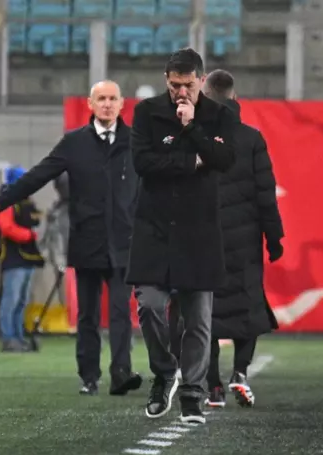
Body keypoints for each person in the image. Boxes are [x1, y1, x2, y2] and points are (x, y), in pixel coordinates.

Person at [0, 80, 143, 396]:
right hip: (87, 241)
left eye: (112, 99)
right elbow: (37, 176)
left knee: (121, 312)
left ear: (122, 104)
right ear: (90, 104)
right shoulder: (74, 143)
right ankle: (89, 377)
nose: (107, 104)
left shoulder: (136, 142)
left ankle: (121, 372)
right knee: (88, 315)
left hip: (124, 243)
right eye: (101, 99)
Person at [126, 48, 236, 424]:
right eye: (175, 85)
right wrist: (192, 161)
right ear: (166, 80)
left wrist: (191, 129)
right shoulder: (146, 112)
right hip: (154, 227)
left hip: (198, 229)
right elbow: (143, 163)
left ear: (202, 81)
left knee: (198, 319)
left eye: (188, 85)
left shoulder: (220, 115)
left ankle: (192, 392)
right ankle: (164, 372)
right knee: (149, 305)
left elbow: (225, 160)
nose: (181, 92)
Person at [196, 69, 284, 409]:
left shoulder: (192, 137)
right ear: (234, 97)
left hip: (202, 239)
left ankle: (213, 387)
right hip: (245, 241)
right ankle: (240, 373)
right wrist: (274, 239)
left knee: (205, 314)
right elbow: (266, 194)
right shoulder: (252, 138)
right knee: (248, 309)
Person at [0, 166, 46, 352]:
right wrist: (29, 235)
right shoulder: (6, 201)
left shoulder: (27, 201)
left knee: (22, 300)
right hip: (13, 259)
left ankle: (19, 338)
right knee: (11, 300)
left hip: (28, 258)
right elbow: (6, 228)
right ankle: (8, 338)